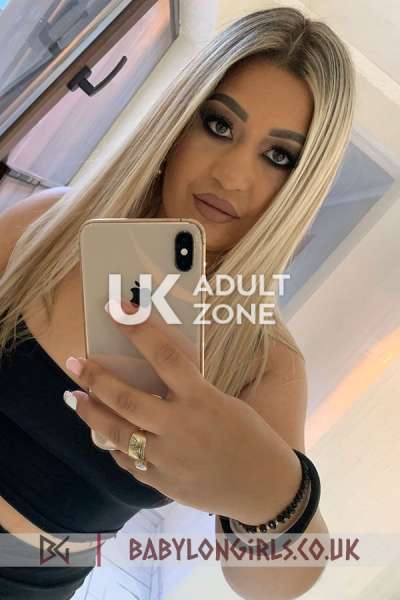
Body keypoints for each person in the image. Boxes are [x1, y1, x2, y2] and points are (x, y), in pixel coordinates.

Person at [0, 6, 355, 600]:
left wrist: (271, 494)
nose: (231, 177)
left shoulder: (263, 359)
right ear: (180, 120)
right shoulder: (53, 222)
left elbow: (272, 583)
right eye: (219, 124)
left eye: (278, 157)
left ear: (302, 185)